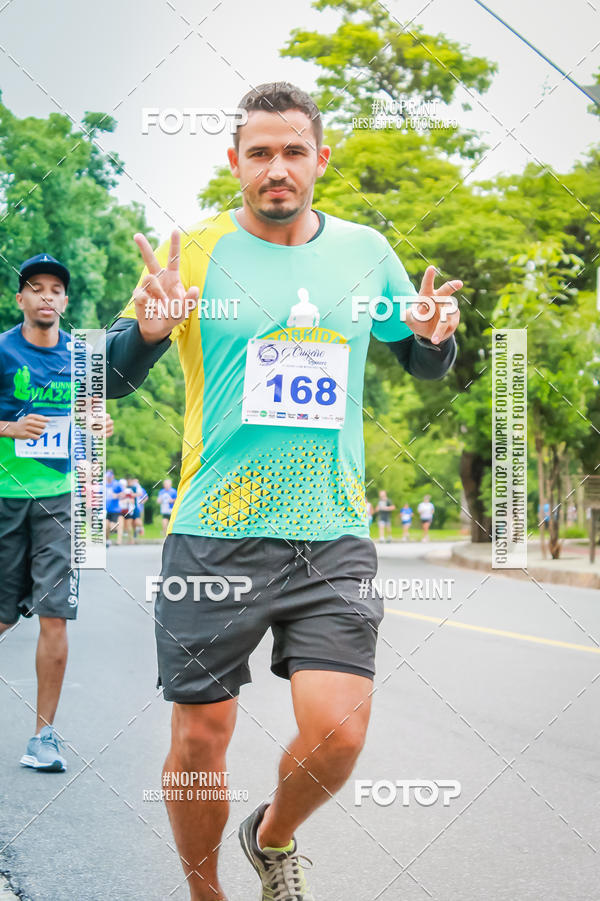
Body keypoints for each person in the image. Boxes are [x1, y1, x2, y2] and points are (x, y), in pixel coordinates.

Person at [105, 82, 461, 901]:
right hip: (214, 529)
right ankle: (206, 891)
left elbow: (420, 356)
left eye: (293, 151)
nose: (276, 168)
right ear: (234, 161)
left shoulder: (367, 251)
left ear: (319, 161)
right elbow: (116, 376)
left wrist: (437, 338)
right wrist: (150, 330)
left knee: (338, 729)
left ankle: (272, 836)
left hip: (330, 527)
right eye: (259, 153)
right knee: (203, 734)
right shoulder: (189, 251)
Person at [0, 253, 112, 771]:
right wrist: (6, 428)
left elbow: (92, 420)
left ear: (65, 302)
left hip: (63, 501)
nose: (46, 296)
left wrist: (103, 426)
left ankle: (43, 738)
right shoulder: (1, 351)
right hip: (5, 499)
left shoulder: (83, 358)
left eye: (55, 289)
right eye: (35, 288)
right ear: (19, 298)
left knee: (55, 615)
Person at [105, 469, 123, 545]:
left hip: (115, 509)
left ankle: (118, 531)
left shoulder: (116, 484)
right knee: (105, 526)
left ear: (112, 476)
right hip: (106, 509)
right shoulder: (104, 484)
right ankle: (107, 540)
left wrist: (117, 495)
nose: (108, 478)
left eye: (109, 477)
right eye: (107, 477)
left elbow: (123, 493)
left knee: (112, 526)